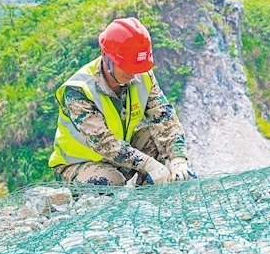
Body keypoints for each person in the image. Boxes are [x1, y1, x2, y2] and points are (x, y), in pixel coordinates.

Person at [49, 17, 195, 186]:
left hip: (119, 160)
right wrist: (148, 164)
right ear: (105, 57)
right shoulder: (78, 90)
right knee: (111, 181)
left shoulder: (142, 75)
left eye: (136, 67)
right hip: (77, 165)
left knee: (154, 137)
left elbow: (163, 116)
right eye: (126, 66)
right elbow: (104, 142)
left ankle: (148, 199)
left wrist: (178, 158)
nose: (132, 74)